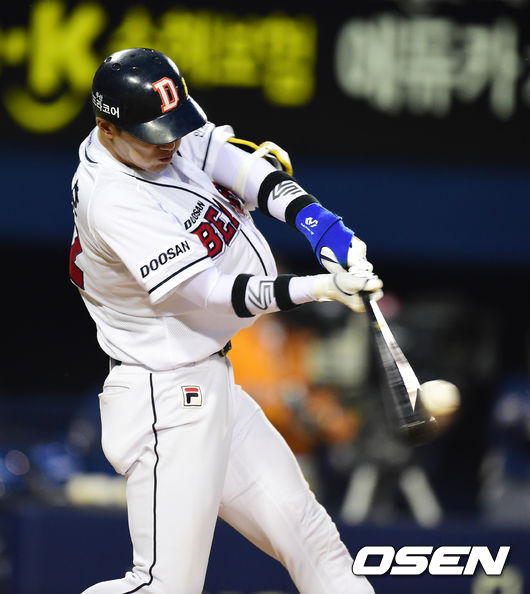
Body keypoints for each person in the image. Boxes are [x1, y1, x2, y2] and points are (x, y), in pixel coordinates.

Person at [70, 47, 382, 594]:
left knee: (313, 541)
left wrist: (319, 224)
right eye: (153, 135)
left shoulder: (158, 136)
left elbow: (228, 157)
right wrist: (320, 288)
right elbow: (212, 295)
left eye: (173, 127)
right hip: (165, 397)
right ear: (107, 127)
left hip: (210, 383)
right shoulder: (113, 199)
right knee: (164, 587)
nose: (169, 143)